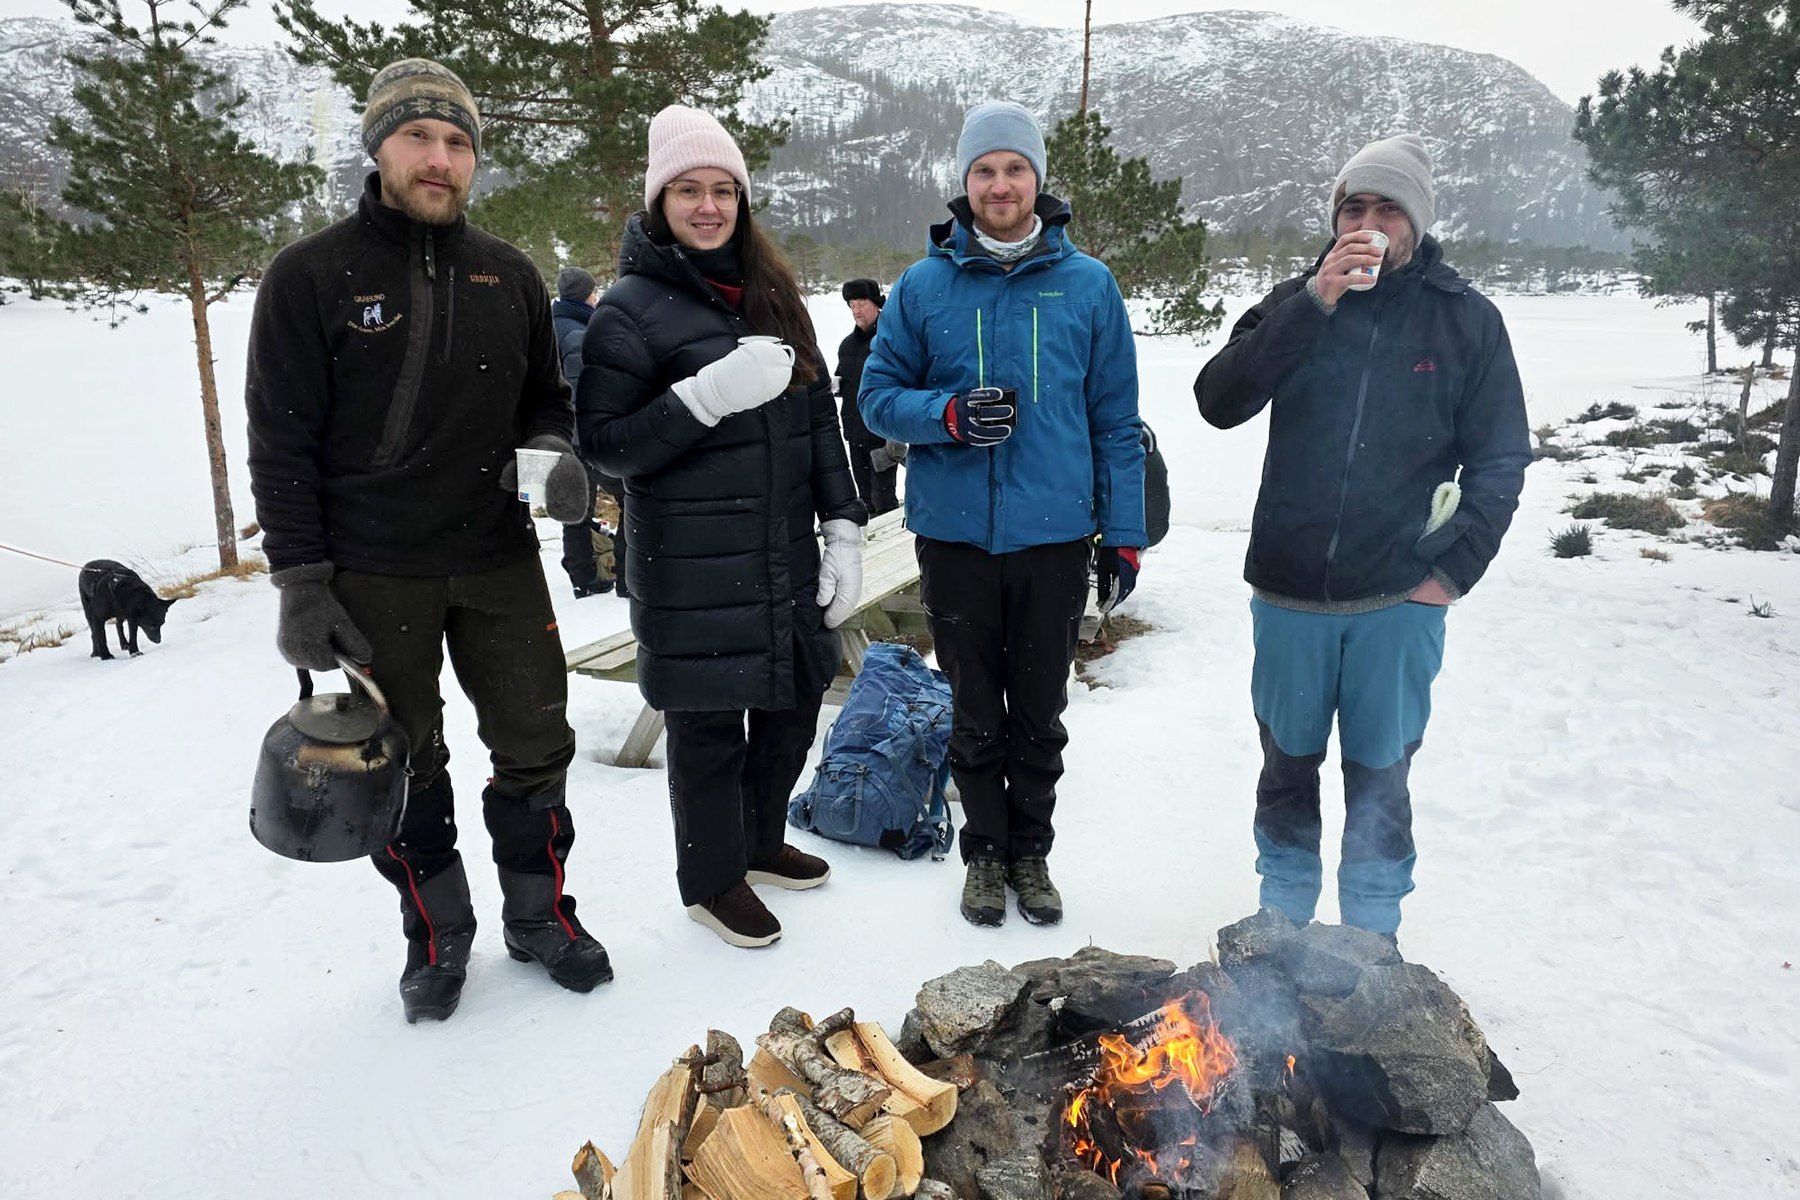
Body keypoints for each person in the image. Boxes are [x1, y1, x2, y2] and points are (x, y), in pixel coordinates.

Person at [246, 58, 614, 1023]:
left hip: (498, 562)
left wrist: (552, 452)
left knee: (537, 744)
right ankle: (437, 933)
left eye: (458, 142)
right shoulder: (310, 275)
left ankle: (541, 917)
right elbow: (280, 442)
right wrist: (301, 582)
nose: (440, 158)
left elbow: (546, 401)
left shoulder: (510, 273)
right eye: (419, 137)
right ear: (379, 147)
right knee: (403, 760)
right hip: (373, 572)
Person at [1194, 133, 1530, 940]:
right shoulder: (1294, 302)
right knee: (1287, 767)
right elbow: (1218, 400)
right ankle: (1282, 923)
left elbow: (1501, 458)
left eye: (1388, 209)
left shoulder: (1465, 320)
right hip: (1288, 593)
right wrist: (1313, 304)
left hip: (1397, 599)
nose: (1369, 223)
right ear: (1335, 218)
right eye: (1354, 208)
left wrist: (1449, 576)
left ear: (1417, 220)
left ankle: (1373, 939)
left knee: (1381, 778)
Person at [576, 105, 866, 949]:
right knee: (707, 729)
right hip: (692, 565)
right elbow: (606, 446)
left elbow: (819, 421)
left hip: (782, 551)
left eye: (724, 190)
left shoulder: (774, 296)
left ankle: (760, 842)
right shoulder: (627, 311)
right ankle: (711, 880)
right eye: (688, 190)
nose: (708, 206)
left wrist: (844, 525)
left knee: (792, 702)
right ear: (659, 202)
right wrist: (703, 398)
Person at [860, 100, 1146, 928]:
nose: (999, 184)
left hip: (1054, 537)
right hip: (954, 537)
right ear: (965, 182)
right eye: (984, 170)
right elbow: (877, 398)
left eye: (1014, 168)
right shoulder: (924, 286)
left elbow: (1116, 423)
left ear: (1037, 180)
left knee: (1040, 712)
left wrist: (1124, 534)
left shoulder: (1088, 285)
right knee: (975, 710)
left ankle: (1032, 853)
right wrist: (947, 416)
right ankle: (985, 853)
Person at [551, 265, 623, 599]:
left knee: (576, 512)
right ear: (587, 295)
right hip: (583, 438)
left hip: (559, 434)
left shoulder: (551, 326)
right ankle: (627, 579)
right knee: (629, 500)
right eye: (594, 293)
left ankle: (582, 579)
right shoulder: (577, 335)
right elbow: (584, 394)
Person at [834, 278, 897, 516]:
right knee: (865, 500)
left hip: (883, 434)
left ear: (876, 305)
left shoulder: (891, 339)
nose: (856, 311)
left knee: (883, 500)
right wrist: (836, 385)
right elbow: (844, 381)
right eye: (852, 305)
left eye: (861, 304)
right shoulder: (847, 345)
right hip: (854, 432)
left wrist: (897, 436)